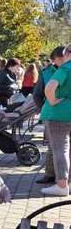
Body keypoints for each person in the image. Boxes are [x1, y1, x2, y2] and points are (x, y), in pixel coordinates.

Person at [39, 44, 71, 196]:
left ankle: (62, 185)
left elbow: (50, 87)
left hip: (58, 115)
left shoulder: (65, 69)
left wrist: (52, 100)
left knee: (60, 150)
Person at [33, 46, 67, 184]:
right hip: (53, 115)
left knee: (62, 148)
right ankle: (50, 174)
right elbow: (37, 94)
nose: (62, 61)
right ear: (54, 60)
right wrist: (43, 109)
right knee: (53, 147)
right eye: (59, 59)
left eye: (64, 58)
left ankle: (64, 178)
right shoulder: (46, 74)